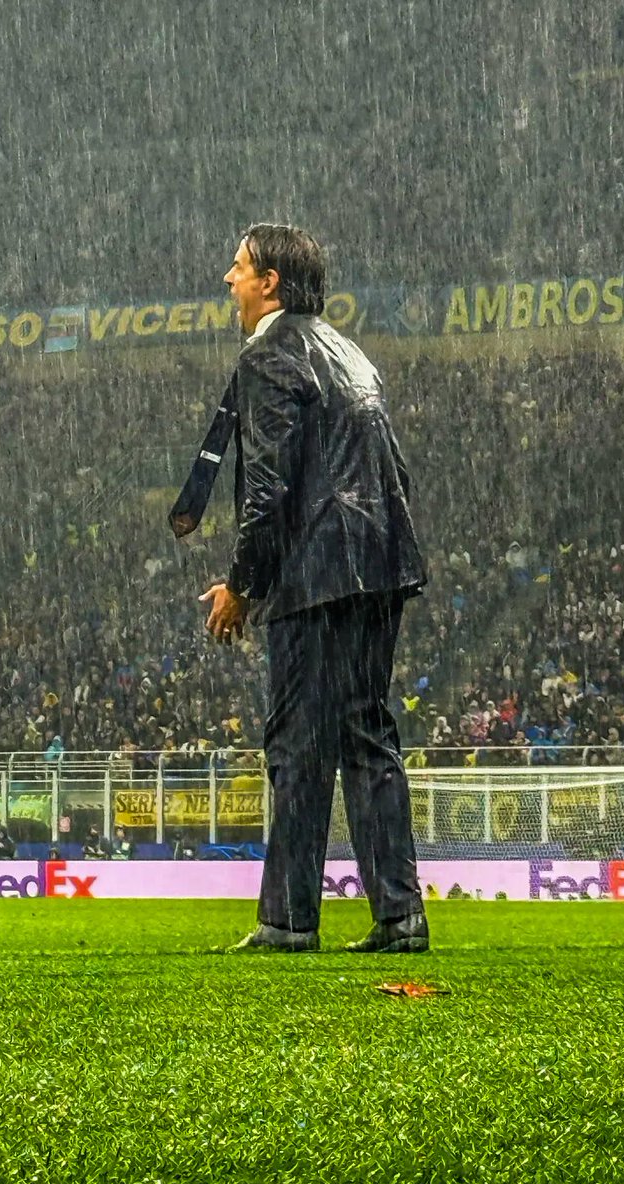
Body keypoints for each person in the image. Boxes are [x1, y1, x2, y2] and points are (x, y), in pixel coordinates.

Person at [175, 223, 429, 953]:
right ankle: (399, 914)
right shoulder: (347, 350)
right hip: (381, 561)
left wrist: (241, 585)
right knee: (367, 735)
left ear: (270, 284)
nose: (227, 280)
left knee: (297, 743)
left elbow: (269, 487)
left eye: (237, 268)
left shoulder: (271, 357)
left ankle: (288, 918)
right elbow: (390, 468)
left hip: (317, 569)